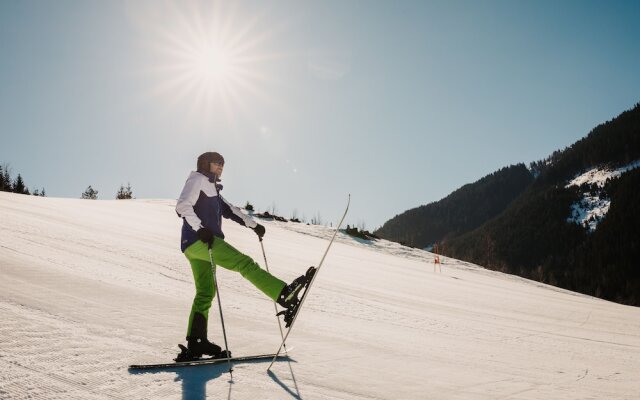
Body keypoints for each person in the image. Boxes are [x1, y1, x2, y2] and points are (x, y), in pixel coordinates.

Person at [175, 151, 310, 359]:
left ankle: (196, 342)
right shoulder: (197, 179)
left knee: (205, 293)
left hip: (194, 246)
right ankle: (284, 294)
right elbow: (182, 206)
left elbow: (231, 210)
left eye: (223, 164)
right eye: (217, 163)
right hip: (201, 240)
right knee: (244, 264)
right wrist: (201, 229)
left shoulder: (213, 190)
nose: (221, 167)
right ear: (205, 164)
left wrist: (254, 225)